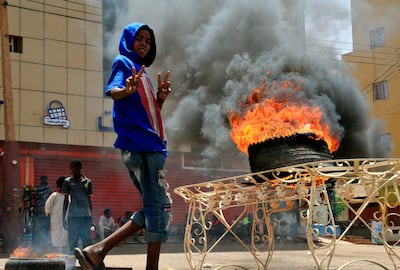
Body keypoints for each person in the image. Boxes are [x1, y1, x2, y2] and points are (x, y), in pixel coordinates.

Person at [74, 22, 173, 270]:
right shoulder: (124, 63)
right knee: (158, 210)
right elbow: (114, 90)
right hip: (142, 149)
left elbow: (147, 118)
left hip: (148, 145)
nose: (143, 44)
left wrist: (159, 99)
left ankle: (97, 251)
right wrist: (125, 89)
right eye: (138, 38)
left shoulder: (142, 73)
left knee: (157, 209)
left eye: (148, 41)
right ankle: (98, 251)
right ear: (128, 39)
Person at [62, 159, 94, 255]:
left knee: (87, 240)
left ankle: (87, 262)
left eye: (73, 167)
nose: (70, 169)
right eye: (70, 167)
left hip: (86, 216)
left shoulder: (88, 182)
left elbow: (89, 200)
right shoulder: (67, 182)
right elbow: (66, 201)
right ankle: (71, 265)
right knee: (73, 241)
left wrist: (91, 216)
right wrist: (63, 217)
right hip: (73, 216)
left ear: (79, 168)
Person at [45, 176, 69, 254]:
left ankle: (64, 258)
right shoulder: (55, 195)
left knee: (65, 240)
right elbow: (47, 207)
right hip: (56, 222)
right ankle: (55, 257)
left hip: (66, 222)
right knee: (56, 240)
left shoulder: (69, 197)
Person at [32, 175, 52, 253]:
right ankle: (42, 248)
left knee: (38, 231)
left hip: (39, 213)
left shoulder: (37, 189)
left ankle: (37, 248)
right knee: (44, 231)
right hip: (44, 213)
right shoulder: (49, 190)